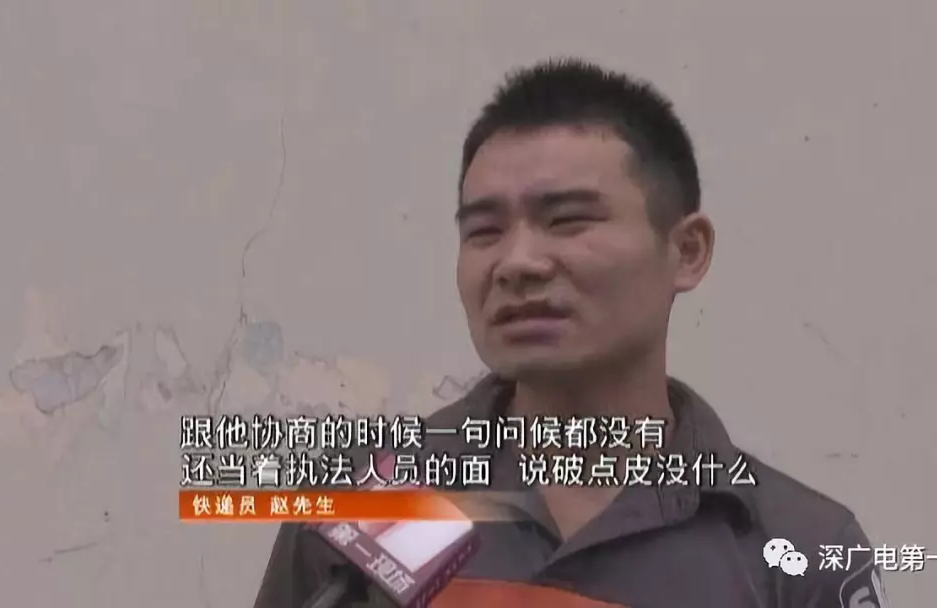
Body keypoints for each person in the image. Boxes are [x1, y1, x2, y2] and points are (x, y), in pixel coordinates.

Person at [253, 58, 890, 607]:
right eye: (484, 231)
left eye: (567, 221)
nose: (517, 263)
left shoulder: (800, 547)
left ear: (687, 251)